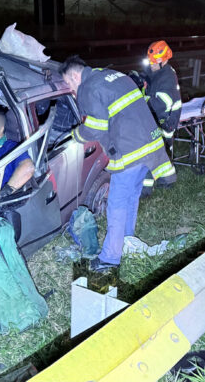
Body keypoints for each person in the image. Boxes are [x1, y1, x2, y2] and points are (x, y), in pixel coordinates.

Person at [60, 56, 176, 272]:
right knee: (131, 198)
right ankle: (126, 242)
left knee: (117, 203)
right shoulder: (111, 75)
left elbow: (95, 128)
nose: (70, 90)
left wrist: (75, 135)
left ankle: (110, 258)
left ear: (75, 75)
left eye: (68, 84)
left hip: (130, 150)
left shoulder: (88, 87)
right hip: (149, 146)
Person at [139, 40, 182, 193]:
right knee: (158, 152)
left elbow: (163, 101)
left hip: (165, 120)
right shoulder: (156, 71)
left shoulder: (168, 76)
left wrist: (143, 100)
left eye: (153, 62)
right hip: (155, 118)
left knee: (155, 152)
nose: (150, 65)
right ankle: (167, 179)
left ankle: (146, 188)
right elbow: (148, 79)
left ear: (163, 61)